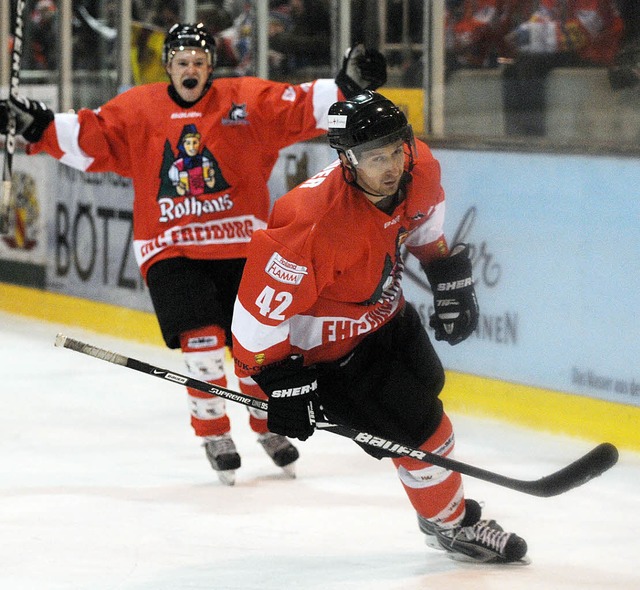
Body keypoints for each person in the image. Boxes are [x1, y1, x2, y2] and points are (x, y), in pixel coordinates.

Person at [0, 23, 387, 486]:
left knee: (256, 350)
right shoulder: (139, 108)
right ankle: (214, 432)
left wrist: (346, 86)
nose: (191, 70)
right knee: (201, 342)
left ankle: (266, 425)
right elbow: (91, 135)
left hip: (245, 245)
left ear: (210, 68)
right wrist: (35, 123)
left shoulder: (243, 100)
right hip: (170, 246)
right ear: (168, 66)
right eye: (182, 62)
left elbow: (300, 106)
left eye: (199, 63)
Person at [230, 90, 528, 563]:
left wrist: (444, 273)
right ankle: (453, 525)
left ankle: (434, 507)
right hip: (334, 356)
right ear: (347, 160)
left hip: (389, 317)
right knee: (425, 433)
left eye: (395, 150)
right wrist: (277, 381)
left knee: (427, 392)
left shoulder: (420, 168)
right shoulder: (309, 225)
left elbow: (426, 227)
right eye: (374, 157)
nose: (391, 166)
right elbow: (253, 321)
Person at [500, 0, 624, 136]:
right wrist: (523, 31)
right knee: (511, 70)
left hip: (595, 53)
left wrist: (529, 35)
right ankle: (515, 134)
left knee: (532, 63)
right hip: (572, 50)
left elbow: (581, 32)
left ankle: (533, 134)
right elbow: (542, 15)